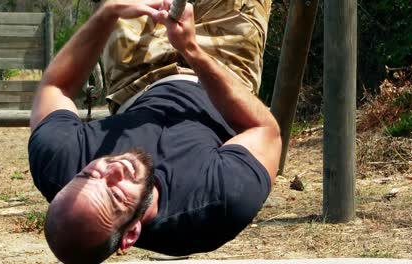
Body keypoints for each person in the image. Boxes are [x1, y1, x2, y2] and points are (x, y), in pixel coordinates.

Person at [28, 0, 281, 263]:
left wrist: (108, 13)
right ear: (131, 233)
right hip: (224, 70)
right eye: (115, 194)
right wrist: (191, 50)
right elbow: (265, 130)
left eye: (90, 173)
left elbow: (55, 87)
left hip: (137, 79)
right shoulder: (217, 204)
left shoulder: (59, 166)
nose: (113, 170)